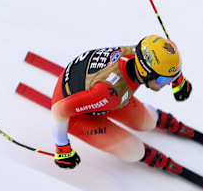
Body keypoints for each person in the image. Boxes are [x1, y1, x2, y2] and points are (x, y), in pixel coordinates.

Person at [50, 35, 193, 170]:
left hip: (101, 94)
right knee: (134, 151)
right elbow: (59, 110)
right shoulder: (108, 92)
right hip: (78, 114)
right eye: (164, 80)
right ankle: (139, 151)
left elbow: (168, 49)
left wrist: (179, 79)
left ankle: (151, 118)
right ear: (146, 72)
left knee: (148, 122)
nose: (168, 84)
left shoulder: (142, 52)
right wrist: (62, 149)